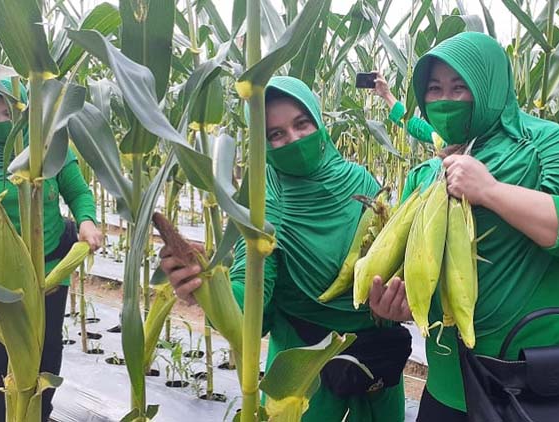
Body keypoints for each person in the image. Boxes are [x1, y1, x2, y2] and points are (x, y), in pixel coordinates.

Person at [366, 32, 559, 420]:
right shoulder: (426, 175)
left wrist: (490, 191)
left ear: (490, 85)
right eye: (433, 89)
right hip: (448, 389)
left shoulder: (546, 145)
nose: (444, 100)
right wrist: (396, 306)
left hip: (535, 387)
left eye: (460, 87)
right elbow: (416, 273)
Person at [160, 76, 408, 421]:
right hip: (305, 373)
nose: (293, 139)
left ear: (319, 122)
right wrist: (207, 287)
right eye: (276, 134)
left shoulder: (361, 181)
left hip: (378, 361)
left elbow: (392, 259)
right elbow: (250, 306)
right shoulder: (265, 206)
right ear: (262, 143)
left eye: (302, 124)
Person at [0, 79, 102, 421]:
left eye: (9, 112)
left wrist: (87, 221)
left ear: (25, 111)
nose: (1, 121)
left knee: (46, 351)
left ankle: (38, 414)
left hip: (49, 264)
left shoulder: (47, 143)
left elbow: (78, 192)